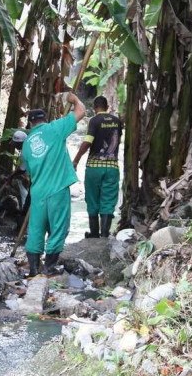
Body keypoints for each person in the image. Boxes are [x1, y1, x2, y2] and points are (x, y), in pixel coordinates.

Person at [22, 93, 86, 277]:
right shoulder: (55, 128)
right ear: (44, 119)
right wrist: (73, 99)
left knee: (36, 228)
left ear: (31, 123)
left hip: (38, 192)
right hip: (57, 189)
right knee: (59, 227)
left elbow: (28, 172)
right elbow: (81, 111)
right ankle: (49, 266)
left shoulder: (27, 144)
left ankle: (34, 268)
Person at [72, 96, 122, 238]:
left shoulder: (94, 121)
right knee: (108, 200)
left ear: (95, 108)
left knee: (93, 199)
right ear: (107, 107)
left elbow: (88, 141)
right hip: (112, 167)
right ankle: (105, 234)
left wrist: (76, 160)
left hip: (94, 167)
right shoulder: (117, 121)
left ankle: (94, 234)